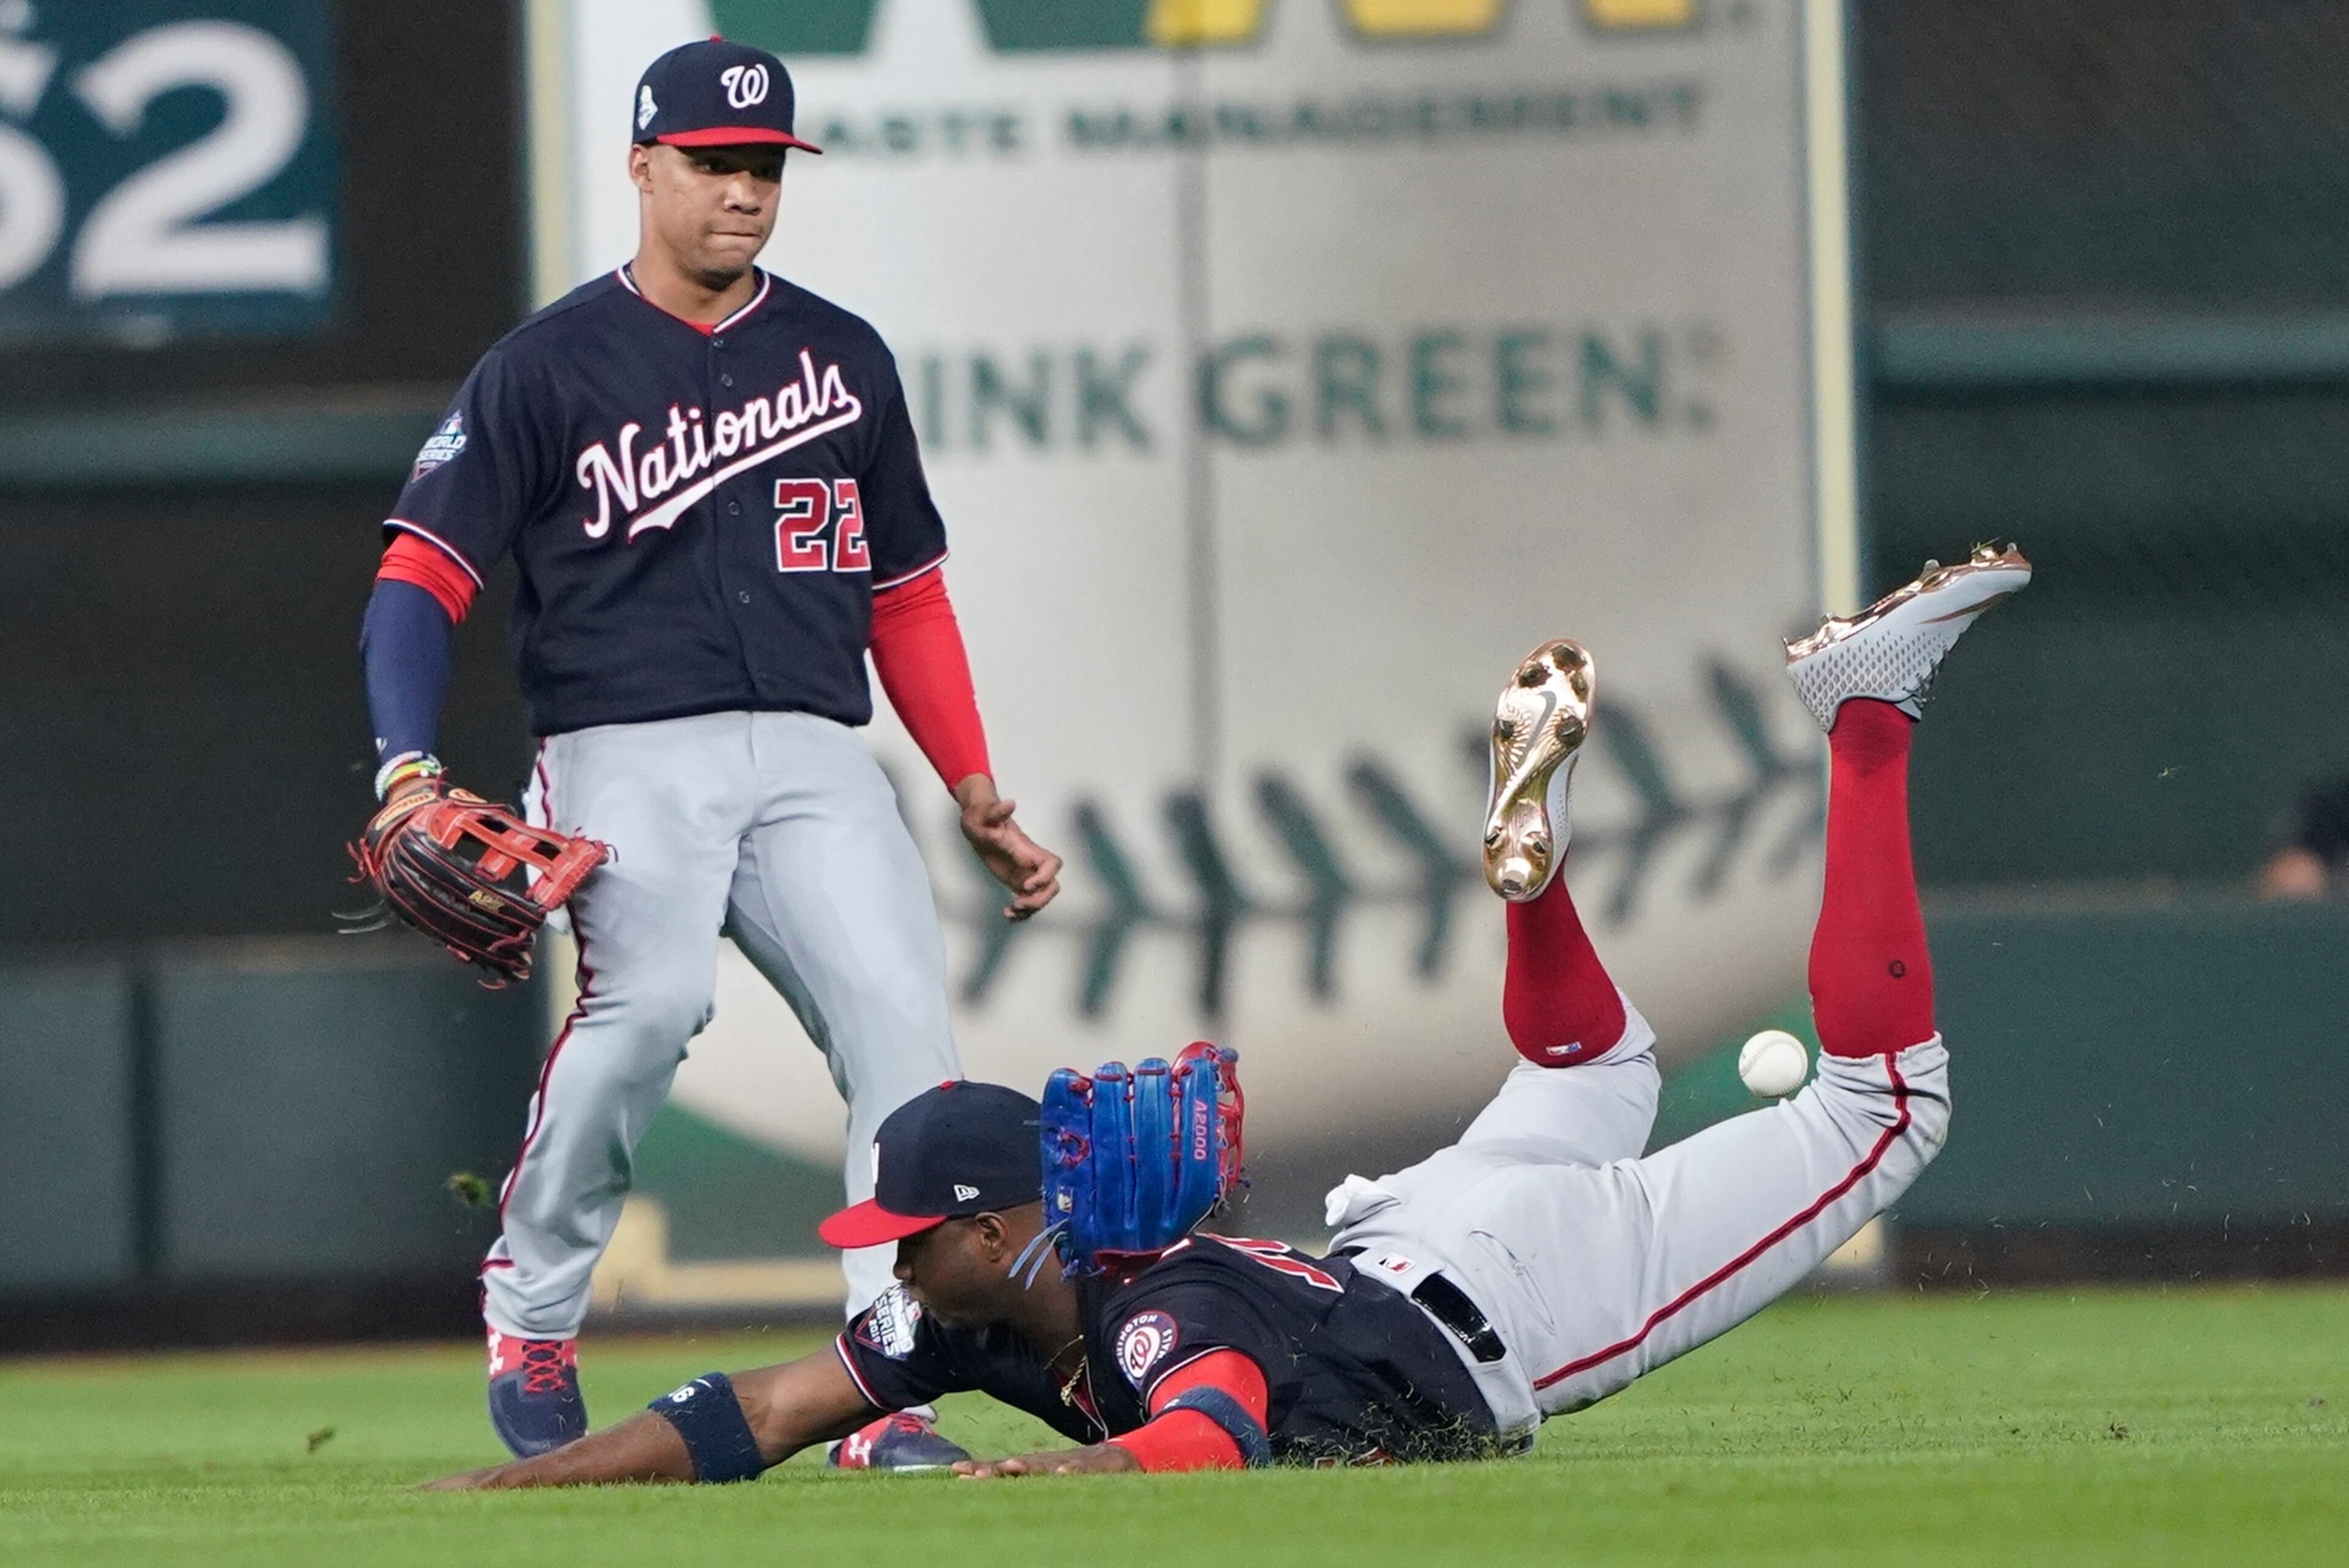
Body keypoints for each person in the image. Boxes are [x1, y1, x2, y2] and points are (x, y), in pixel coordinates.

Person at [422, 547, 2030, 1487]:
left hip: (1494, 1295)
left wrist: (1028, 1491)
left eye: (917, 1231)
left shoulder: (1138, 1302)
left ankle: (1863, 718)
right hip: (1420, 1252)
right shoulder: (997, 1302)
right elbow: (765, 1408)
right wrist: (530, 1485)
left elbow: (1207, 1429)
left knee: (1880, 1106)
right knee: (1596, 1063)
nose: (893, 1254)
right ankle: (1531, 885)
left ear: (1001, 1225)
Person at [356, 37, 1061, 1457]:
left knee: (905, 1041)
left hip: (813, 747)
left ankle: (883, 1384)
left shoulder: (841, 357)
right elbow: (419, 576)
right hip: (626, 746)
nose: (742, 192)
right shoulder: (543, 368)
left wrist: (972, 779)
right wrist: (405, 766)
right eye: (711, 164)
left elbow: (906, 593)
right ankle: (536, 1301)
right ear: (642, 165)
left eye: (762, 168)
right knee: (652, 1004)